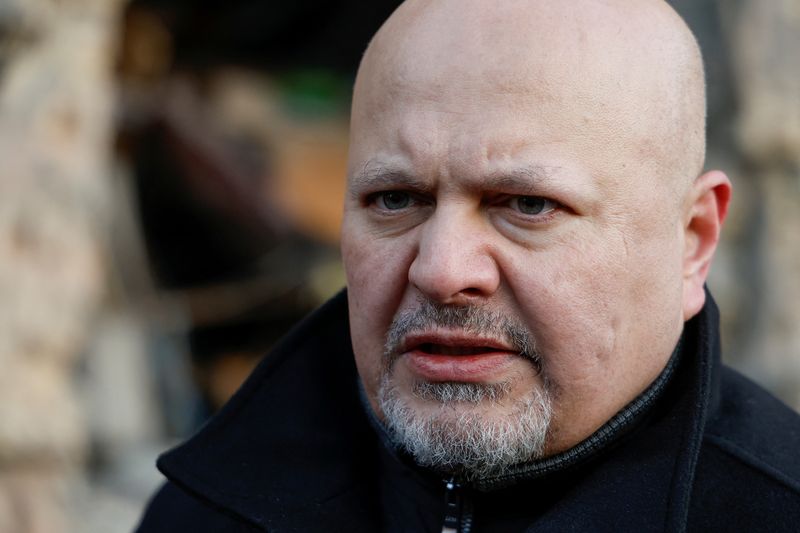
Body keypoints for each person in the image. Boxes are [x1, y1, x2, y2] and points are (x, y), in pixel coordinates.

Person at [136, 1, 800, 531]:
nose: (442, 269)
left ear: (692, 241)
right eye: (395, 199)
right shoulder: (208, 508)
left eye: (528, 204)